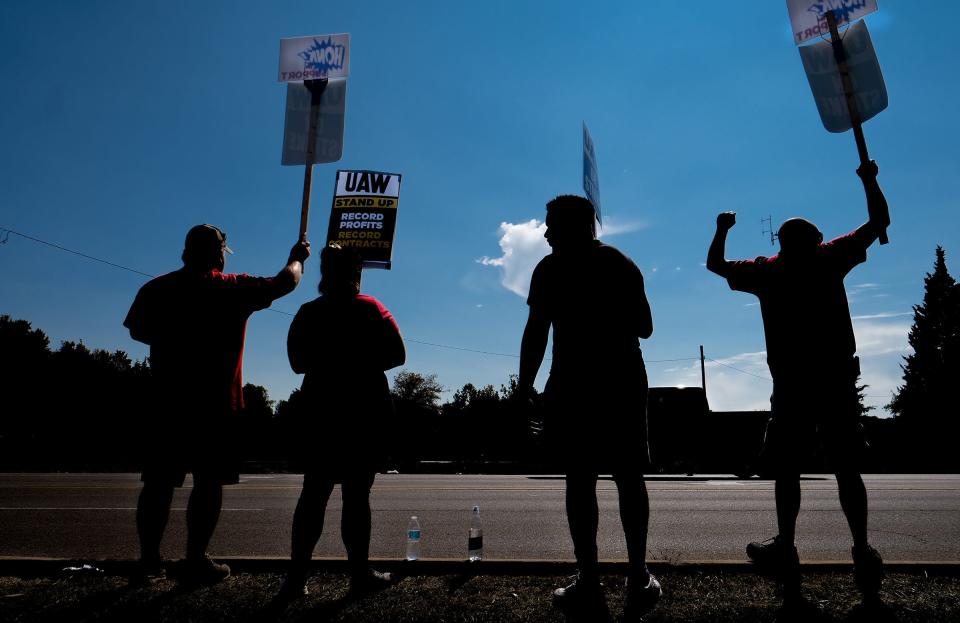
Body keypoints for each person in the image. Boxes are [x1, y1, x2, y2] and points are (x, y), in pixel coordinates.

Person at [706, 161, 890, 603]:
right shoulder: (830, 258)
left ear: (783, 243)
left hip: (792, 386)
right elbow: (880, 221)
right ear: (817, 239)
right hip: (834, 382)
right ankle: (861, 550)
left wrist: (722, 228)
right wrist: (869, 180)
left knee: (788, 468)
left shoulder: (770, 271)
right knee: (846, 467)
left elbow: (715, 264)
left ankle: (787, 547)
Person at [124, 224, 310, 585]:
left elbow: (137, 330)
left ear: (185, 251)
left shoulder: (156, 288)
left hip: (166, 402)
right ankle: (195, 559)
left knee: (158, 483)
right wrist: (297, 258)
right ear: (219, 253)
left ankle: (148, 562)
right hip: (216, 404)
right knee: (208, 483)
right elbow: (286, 282)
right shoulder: (232, 288)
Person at [518, 195, 661, 620]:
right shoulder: (621, 263)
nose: (545, 233)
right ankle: (637, 576)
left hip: (573, 383)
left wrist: (524, 385)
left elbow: (536, 331)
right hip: (621, 380)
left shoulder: (550, 269)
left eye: (551, 225)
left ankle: (591, 580)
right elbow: (646, 327)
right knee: (628, 478)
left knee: (580, 482)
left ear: (574, 226)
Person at [279, 243, 406, 599]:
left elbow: (297, 363)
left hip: (320, 413)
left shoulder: (308, 312)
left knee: (313, 495)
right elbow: (398, 354)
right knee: (356, 497)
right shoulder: (371, 308)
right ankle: (358, 575)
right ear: (356, 273)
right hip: (363, 415)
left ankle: (296, 577)